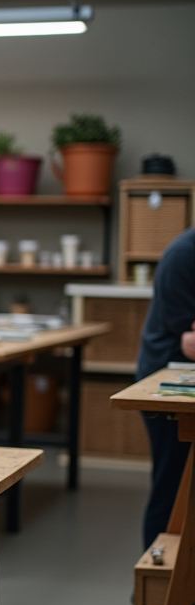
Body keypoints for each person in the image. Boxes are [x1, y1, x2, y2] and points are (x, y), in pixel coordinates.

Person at [137, 227, 195, 551]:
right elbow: (189, 342)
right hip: (164, 386)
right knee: (172, 489)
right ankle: (156, 592)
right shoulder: (183, 256)